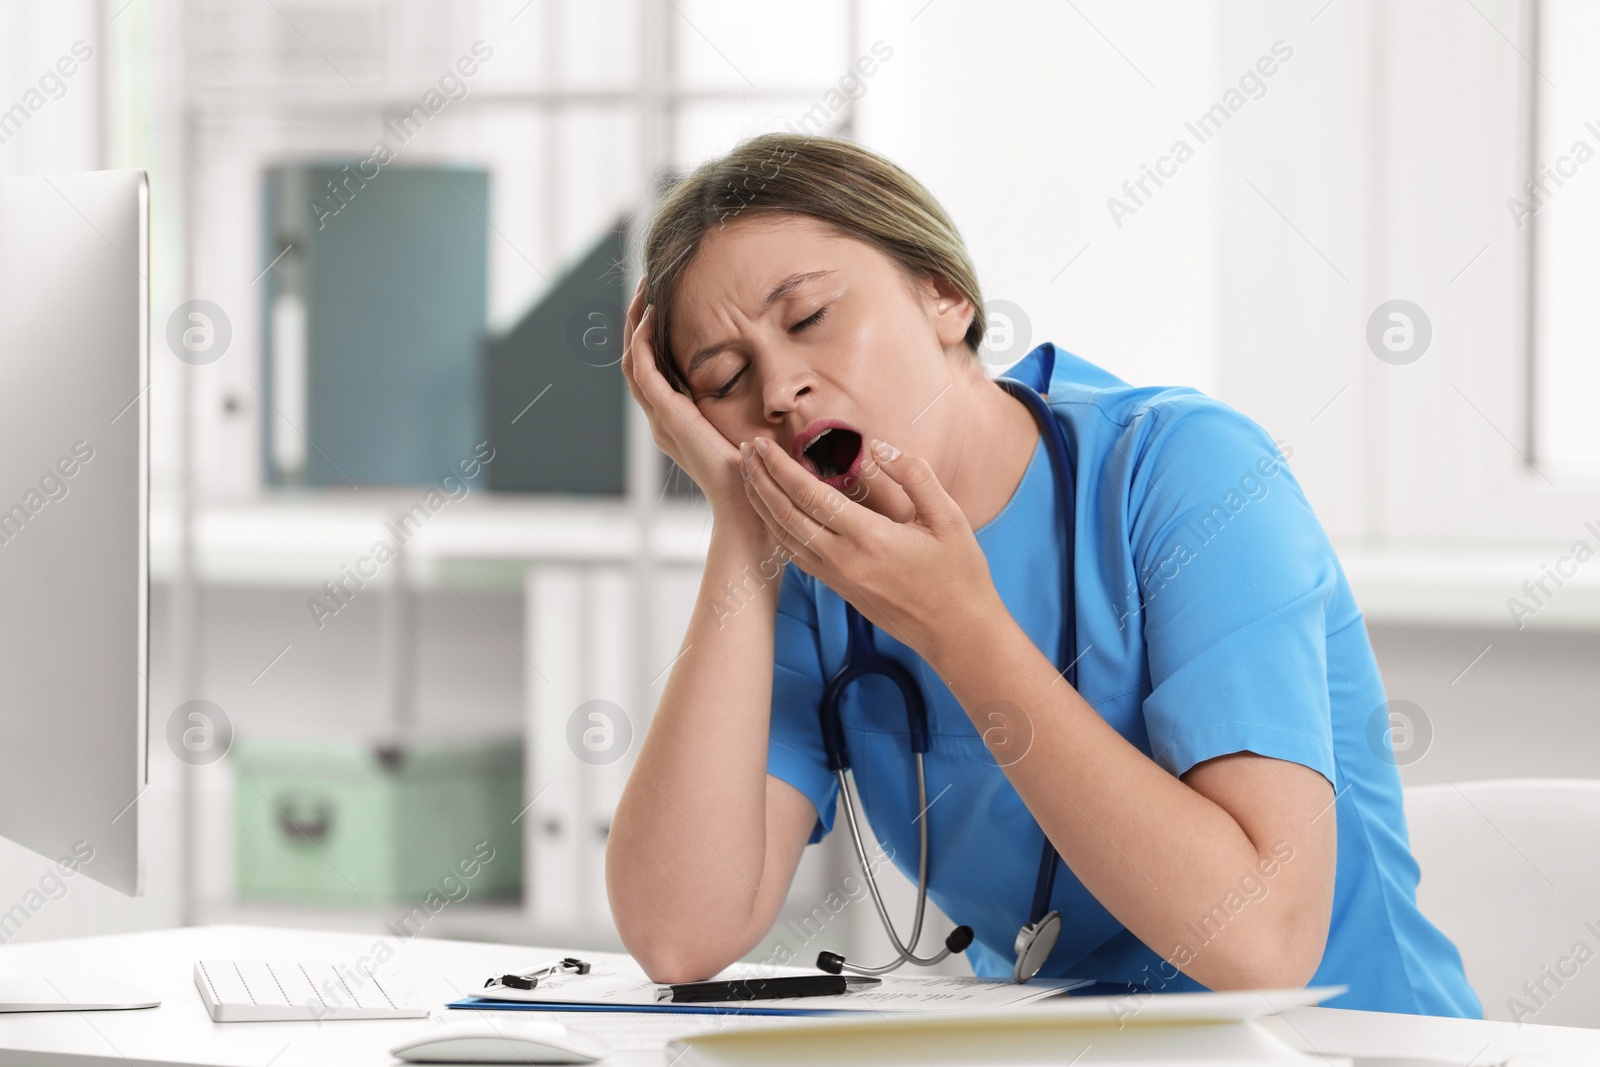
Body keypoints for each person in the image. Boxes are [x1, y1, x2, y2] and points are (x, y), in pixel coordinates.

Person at [604, 131, 1481, 1017]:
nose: (780, 388)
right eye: (724, 377)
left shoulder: (1190, 475)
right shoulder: (818, 576)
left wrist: (959, 627)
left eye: (808, 319)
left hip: (1348, 1042)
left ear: (943, 295)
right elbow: (680, 933)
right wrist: (739, 529)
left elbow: (1261, 944)